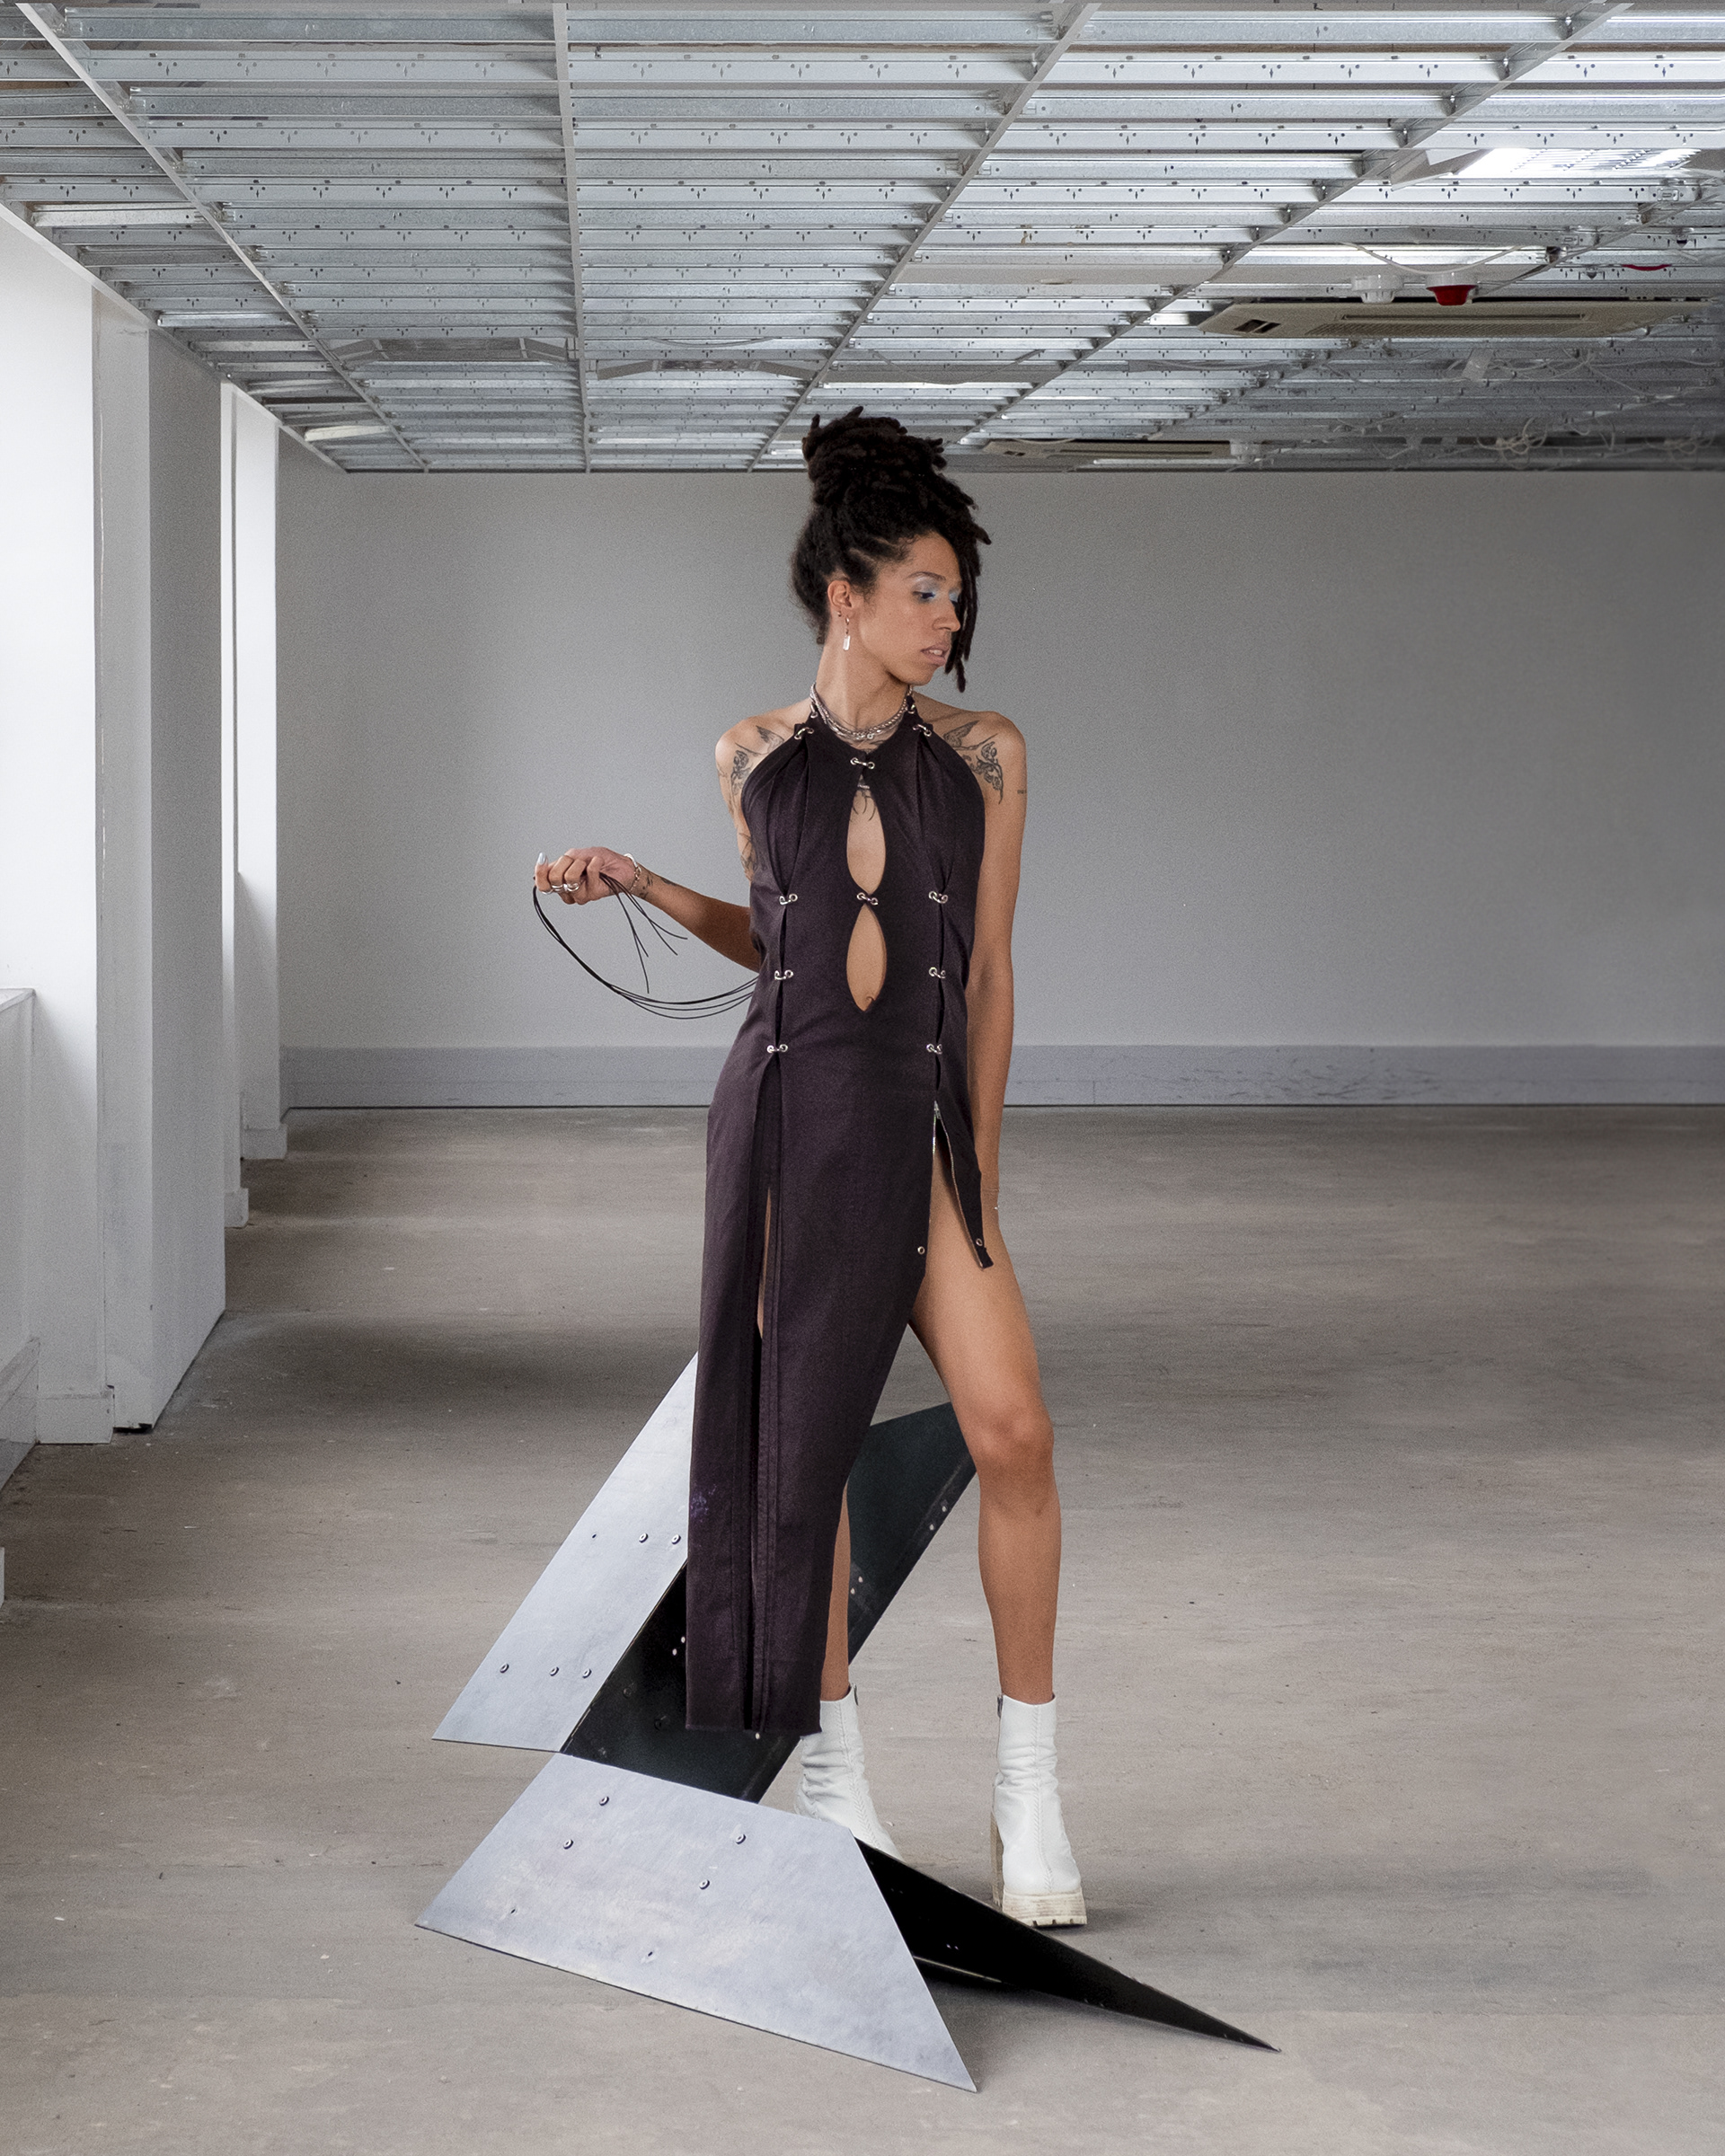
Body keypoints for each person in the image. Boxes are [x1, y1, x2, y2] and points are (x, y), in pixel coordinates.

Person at [535, 411, 1084, 1927]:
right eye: (924, 590)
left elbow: (988, 977)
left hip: (922, 1133)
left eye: (957, 595)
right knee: (807, 1451)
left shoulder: (987, 755)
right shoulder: (749, 754)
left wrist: (979, 1171)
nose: (949, 619)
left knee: (1015, 1432)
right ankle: (838, 1779)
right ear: (846, 596)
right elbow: (775, 941)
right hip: (790, 1126)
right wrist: (644, 882)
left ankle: (1029, 1787)